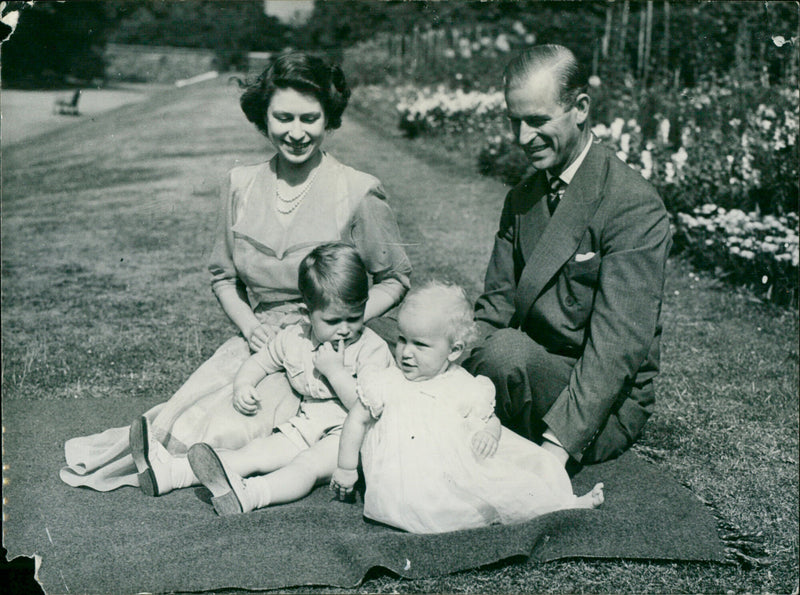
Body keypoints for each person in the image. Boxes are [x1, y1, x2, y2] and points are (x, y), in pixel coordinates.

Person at [60, 51, 411, 492]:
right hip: (261, 341)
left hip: (333, 353)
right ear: (263, 117)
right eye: (283, 117)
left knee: (236, 426)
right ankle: (163, 461)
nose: (297, 133)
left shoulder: (359, 190)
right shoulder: (240, 185)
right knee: (199, 411)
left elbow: (396, 278)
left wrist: (345, 322)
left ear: (329, 119)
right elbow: (224, 277)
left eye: (310, 118)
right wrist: (250, 328)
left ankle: (189, 470)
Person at [463, 45, 672, 472]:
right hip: (530, 369)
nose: (522, 138)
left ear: (580, 108)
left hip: (601, 402)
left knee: (504, 355)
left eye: (537, 121)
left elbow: (616, 350)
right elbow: (495, 308)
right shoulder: (523, 198)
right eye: (514, 121)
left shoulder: (632, 203)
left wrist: (554, 453)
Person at [329, 282, 603, 534]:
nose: (406, 352)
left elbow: (489, 418)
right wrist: (345, 466)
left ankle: (562, 503)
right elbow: (357, 419)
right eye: (402, 339)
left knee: (509, 481)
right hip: (404, 476)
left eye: (420, 345)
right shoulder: (388, 380)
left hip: (453, 469)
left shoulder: (463, 383)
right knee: (431, 505)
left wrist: (490, 433)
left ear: (453, 350)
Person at [172, 243, 395, 513]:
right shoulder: (296, 337)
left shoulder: (371, 348)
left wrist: (335, 371)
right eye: (333, 321)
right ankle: (173, 474)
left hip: (349, 439)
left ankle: (251, 494)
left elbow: (367, 409)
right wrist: (244, 384)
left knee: (307, 465)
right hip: (306, 426)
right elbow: (261, 361)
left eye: (355, 317)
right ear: (308, 312)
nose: (345, 330)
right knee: (258, 452)